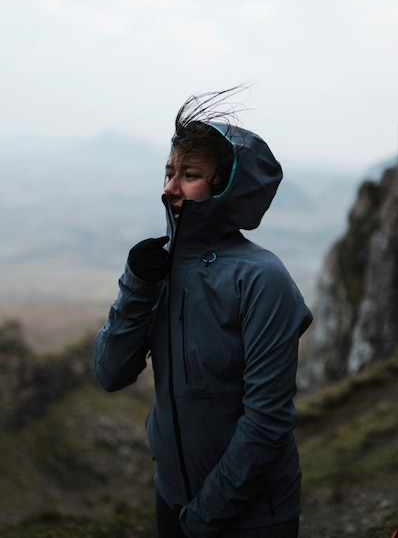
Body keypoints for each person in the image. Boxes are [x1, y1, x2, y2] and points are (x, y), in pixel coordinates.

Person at [94, 87, 313, 538]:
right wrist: (135, 285)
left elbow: (267, 419)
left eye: (189, 174)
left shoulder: (261, 278)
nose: (170, 187)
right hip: (172, 499)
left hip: (253, 517)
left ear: (226, 186)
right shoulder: (159, 267)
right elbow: (110, 373)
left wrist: (203, 517)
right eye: (169, 172)